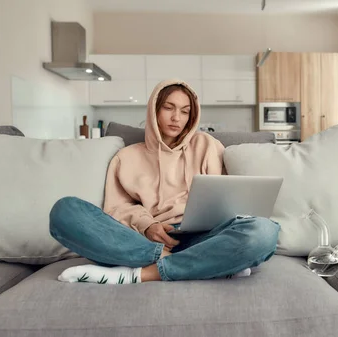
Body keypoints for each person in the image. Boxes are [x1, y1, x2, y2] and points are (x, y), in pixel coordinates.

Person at [49, 79, 280, 284]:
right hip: (146, 243)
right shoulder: (126, 157)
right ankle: (210, 264)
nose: (176, 118)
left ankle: (140, 275)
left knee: (264, 231)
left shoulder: (208, 146)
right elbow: (117, 209)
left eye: (185, 111)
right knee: (65, 210)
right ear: (153, 110)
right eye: (168, 108)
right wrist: (148, 226)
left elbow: (226, 199)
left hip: (204, 238)